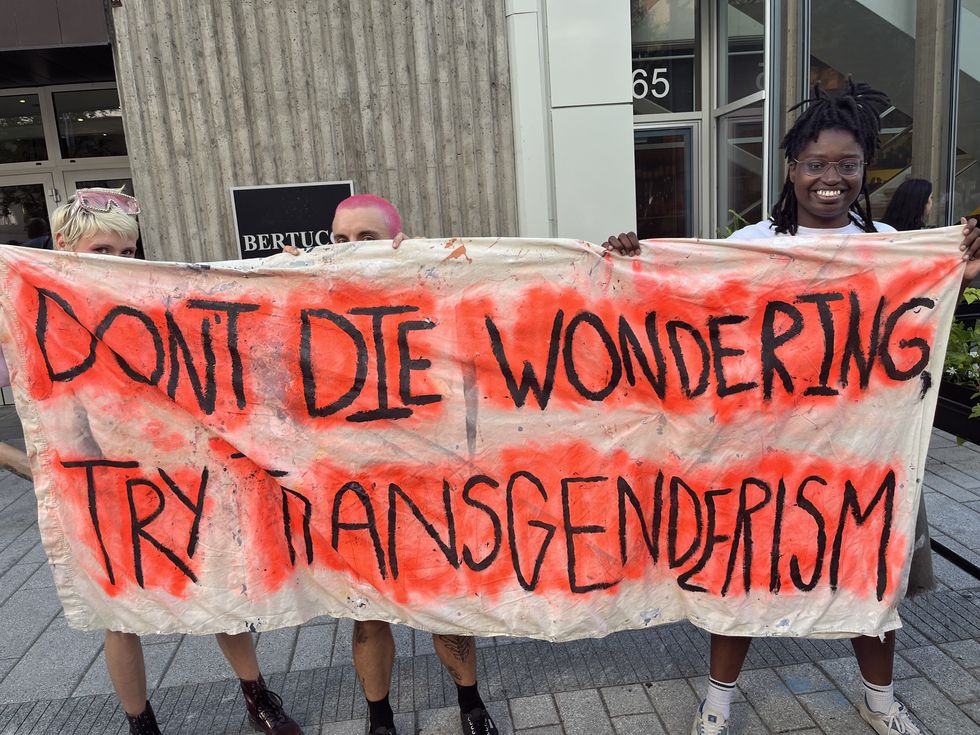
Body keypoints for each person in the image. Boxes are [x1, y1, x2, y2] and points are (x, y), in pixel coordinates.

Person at [603, 80, 980, 735]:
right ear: (791, 169)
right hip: (763, 449)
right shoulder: (751, 243)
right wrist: (633, 266)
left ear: (865, 170)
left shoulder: (891, 246)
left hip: (863, 452)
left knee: (867, 578)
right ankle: (717, 700)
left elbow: (920, 324)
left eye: (847, 164)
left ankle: (881, 701)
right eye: (816, 164)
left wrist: (959, 269)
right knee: (739, 571)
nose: (830, 178)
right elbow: (681, 304)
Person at [0, 189, 302, 735]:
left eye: (127, 251)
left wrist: (295, 272)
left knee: (217, 588)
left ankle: (258, 696)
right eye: (103, 251)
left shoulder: (152, 300)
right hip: (100, 493)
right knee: (119, 614)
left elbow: (235, 325)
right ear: (64, 248)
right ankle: (141, 723)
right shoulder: (26, 313)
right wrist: (26, 464)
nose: (117, 264)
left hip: (180, 479)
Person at [283, 193, 498, 735]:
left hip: (428, 481)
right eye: (339, 239)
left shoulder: (429, 285)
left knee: (443, 600)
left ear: (398, 240)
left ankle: (470, 703)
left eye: (366, 238)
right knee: (366, 610)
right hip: (352, 484)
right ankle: (380, 719)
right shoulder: (311, 290)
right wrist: (279, 283)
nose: (350, 250)